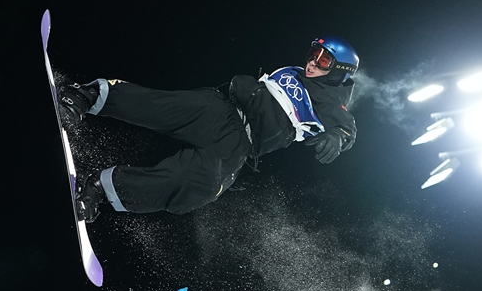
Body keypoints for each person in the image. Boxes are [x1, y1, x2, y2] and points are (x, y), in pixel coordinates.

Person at [55, 36, 359, 221]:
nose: (313, 63)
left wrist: (336, 137)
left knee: (192, 184)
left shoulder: (332, 101)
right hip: (222, 108)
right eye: (313, 54)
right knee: (160, 106)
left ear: (339, 72)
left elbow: (347, 130)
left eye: (324, 61)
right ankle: (84, 97)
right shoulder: (299, 73)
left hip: (238, 145)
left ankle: (97, 188)